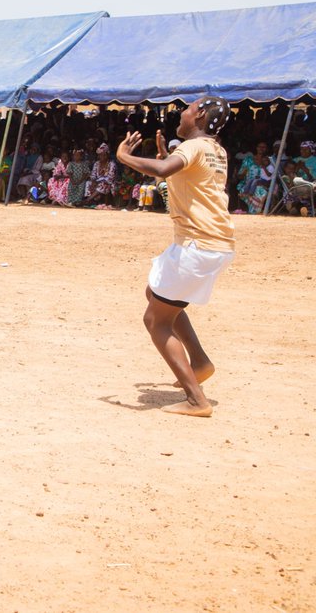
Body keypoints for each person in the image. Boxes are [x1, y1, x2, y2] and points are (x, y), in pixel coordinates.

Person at [115, 96, 236, 417]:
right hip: (215, 243)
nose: (180, 112)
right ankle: (199, 362)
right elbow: (183, 175)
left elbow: (164, 170)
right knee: (156, 295)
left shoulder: (193, 148)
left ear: (198, 116)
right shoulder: (215, 150)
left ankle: (197, 400)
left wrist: (124, 156)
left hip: (197, 245)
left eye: (186, 108)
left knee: (155, 320)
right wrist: (167, 157)